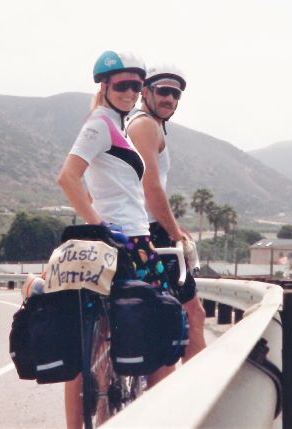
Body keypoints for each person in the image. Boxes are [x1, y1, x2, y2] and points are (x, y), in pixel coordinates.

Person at [57, 50, 173, 429]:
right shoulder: (101, 123)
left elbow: (96, 185)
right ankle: (160, 416)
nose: (129, 91)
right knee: (166, 330)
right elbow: (68, 177)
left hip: (130, 235)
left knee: (107, 331)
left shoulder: (114, 125)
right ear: (105, 86)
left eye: (136, 86)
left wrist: (100, 217)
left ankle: (105, 413)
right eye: (122, 84)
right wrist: (101, 225)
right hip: (128, 240)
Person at [126, 64, 207, 382]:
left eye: (176, 93)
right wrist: (173, 232)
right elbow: (150, 185)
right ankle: (189, 397)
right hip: (149, 231)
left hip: (135, 227)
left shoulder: (135, 122)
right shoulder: (146, 125)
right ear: (145, 92)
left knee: (157, 317)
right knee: (190, 314)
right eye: (163, 91)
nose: (170, 98)